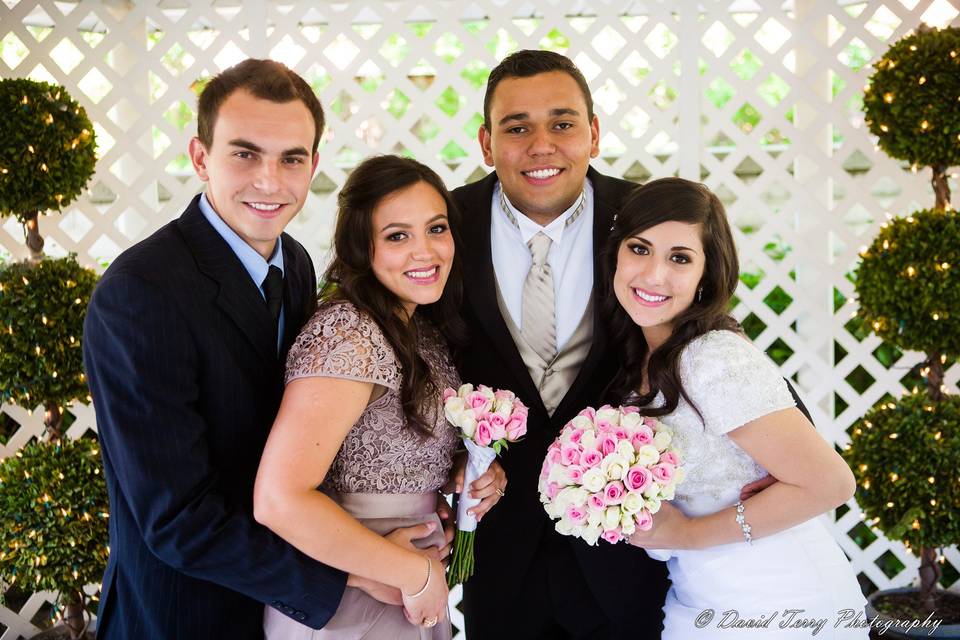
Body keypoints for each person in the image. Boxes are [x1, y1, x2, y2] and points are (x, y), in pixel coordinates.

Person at [84, 60, 401, 639]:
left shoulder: (298, 265)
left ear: (314, 165)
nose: (270, 181)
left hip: (282, 617)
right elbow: (178, 521)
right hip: (184, 616)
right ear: (200, 156)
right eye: (245, 153)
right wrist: (355, 572)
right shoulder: (139, 293)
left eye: (292, 158)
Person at [450, 49, 669, 639]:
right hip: (498, 551)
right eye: (516, 128)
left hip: (624, 550)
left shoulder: (647, 218)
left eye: (562, 123)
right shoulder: (444, 223)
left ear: (593, 134)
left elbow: (697, 342)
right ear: (486, 143)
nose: (540, 144)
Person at [254, 155, 506, 639]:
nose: (425, 251)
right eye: (397, 236)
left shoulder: (420, 329)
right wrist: (414, 572)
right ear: (360, 247)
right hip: (353, 595)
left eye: (436, 229)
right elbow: (278, 500)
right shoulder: (348, 334)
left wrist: (469, 468)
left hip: (406, 582)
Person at [606, 178, 867, 638]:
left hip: (780, 601)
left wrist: (684, 535)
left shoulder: (712, 356)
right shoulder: (639, 364)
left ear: (707, 276)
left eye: (680, 258)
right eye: (639, 249)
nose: (653, 275)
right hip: (699, 599)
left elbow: (831, 483)